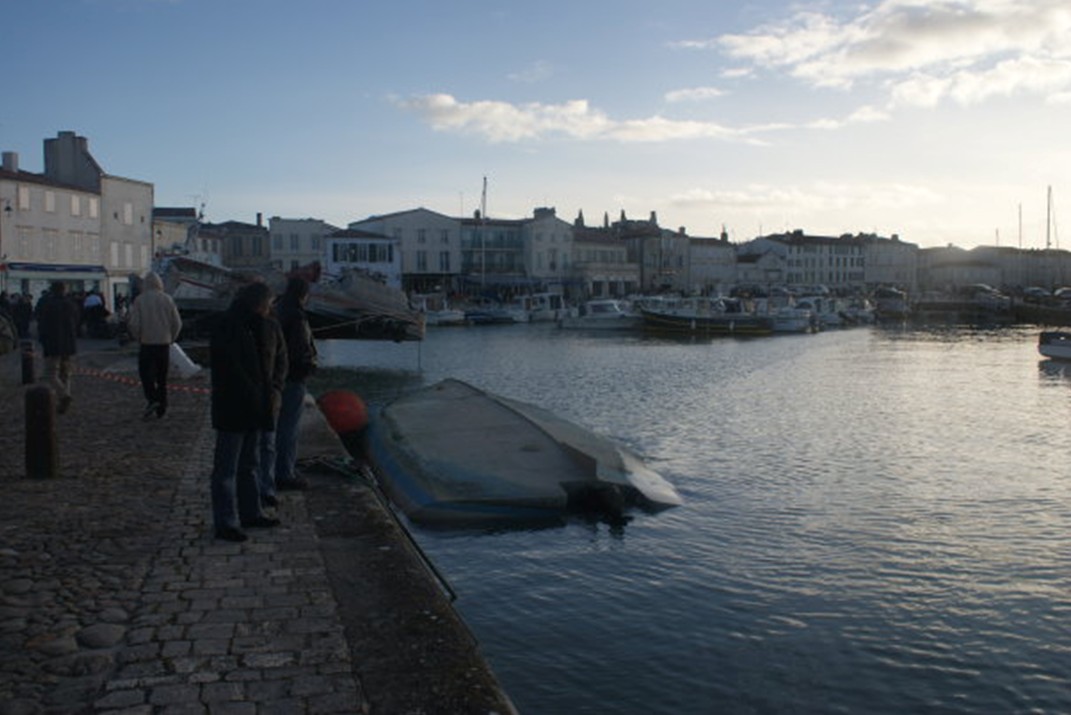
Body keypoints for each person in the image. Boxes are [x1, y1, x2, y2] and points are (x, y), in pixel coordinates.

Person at [208, 281, 284, 542]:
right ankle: (226, 521)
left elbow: (270, 363)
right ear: (260, 304)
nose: (270, 309)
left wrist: (269, 390)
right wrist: (255, 392)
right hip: (234, 406)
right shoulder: (228, 325)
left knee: (249, 463)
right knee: (226, 468)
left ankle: (251, 512)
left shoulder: (258, 325)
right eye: (269, 304)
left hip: (255, 405)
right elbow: (228, 368)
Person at [273, 277, 318, 492]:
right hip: (293, 378)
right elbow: (300, 349)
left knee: (278, 426)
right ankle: (285, 473)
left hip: (278, 377)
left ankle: (279, 469)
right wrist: (309, 368)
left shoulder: (278, 309)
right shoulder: (297, 315)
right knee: (289, 428)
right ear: (304, 294)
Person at [127, 272, 183, 419]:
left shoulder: (140, 300)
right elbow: (177, 323)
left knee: (146, 376)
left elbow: (134, 324)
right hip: (164, 343)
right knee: (162, 377)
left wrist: (138, 337)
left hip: (147, 343)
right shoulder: (168, 299)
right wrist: (171, 337)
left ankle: (152, 399)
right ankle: (162, 407)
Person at [256, 308, 289, 508]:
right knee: (263, 446)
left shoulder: (272, 326)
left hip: (267, 394)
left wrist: (276, 385)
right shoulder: (237, 326)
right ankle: (261, 489)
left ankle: (265, 489)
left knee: (266, 445)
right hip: (259, 395)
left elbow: (281, 359)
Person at [36, 281, 79, 414]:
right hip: (68, 343)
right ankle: (64, 398)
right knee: (65, 372)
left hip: (53, 343)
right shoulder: (71, 304)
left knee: (50, 373)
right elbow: (77, 321)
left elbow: (42, 324)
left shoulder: (47, 304)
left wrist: (42, 340)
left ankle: (64, 395)